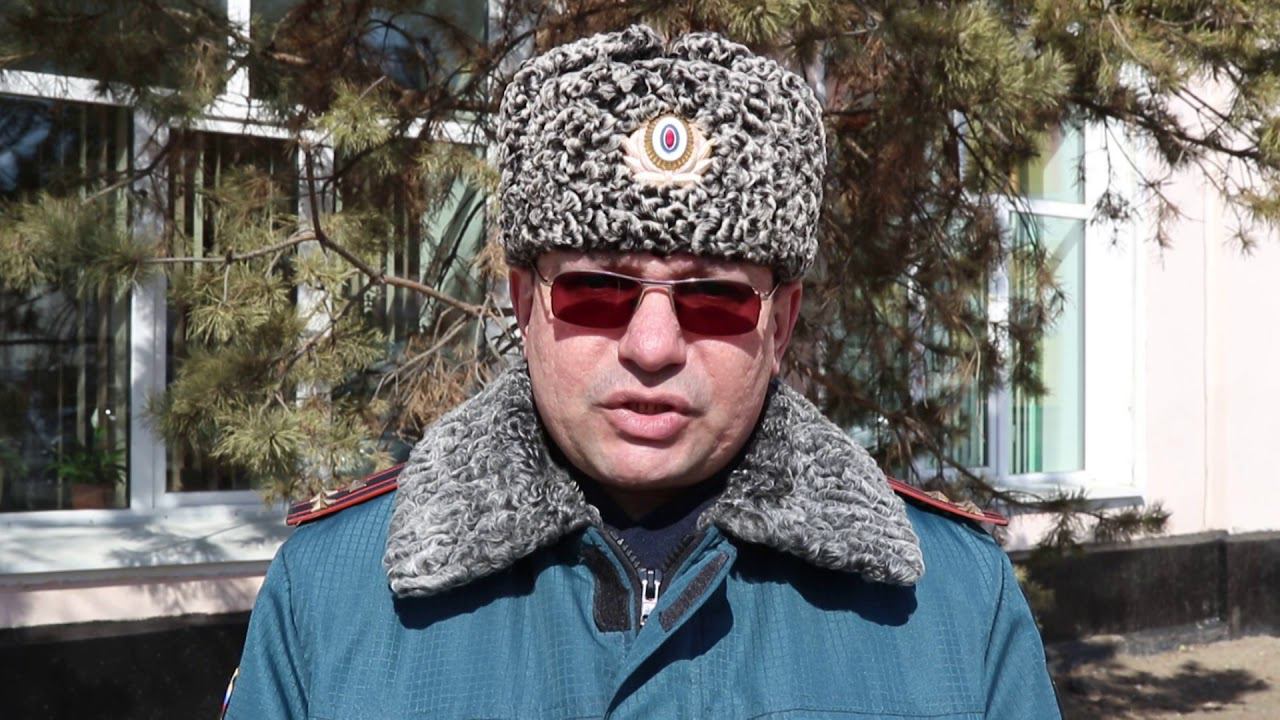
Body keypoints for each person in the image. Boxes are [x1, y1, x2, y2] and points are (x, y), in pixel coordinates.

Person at [222, 24, 1061, 719]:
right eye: (597, 291)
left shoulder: (952, 604)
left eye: (714, 300)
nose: (652, 347)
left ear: (780, 324)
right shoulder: (333, 596)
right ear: (525, 303)